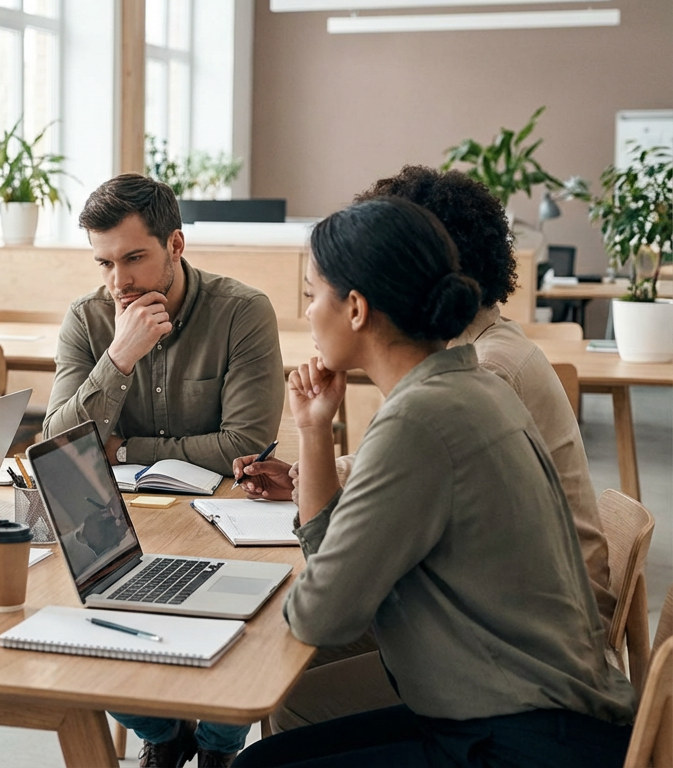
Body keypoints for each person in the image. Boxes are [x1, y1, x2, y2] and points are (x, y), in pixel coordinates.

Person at [231, 197, 634, 767]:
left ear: (355, 308)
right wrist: (315, 430)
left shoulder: (419, 420)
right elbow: (333, 579)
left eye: (310, 294)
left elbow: (322, 614)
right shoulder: (469, 383)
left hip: (524, 737)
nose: (305, 313)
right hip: (533, 708)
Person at [43, 173, 283, 766]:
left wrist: (125, 450)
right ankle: (163, 731)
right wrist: (120, 355)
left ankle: (218, 747)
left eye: (133, 259)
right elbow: (59, 443)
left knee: (251, 626)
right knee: (64, 624)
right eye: (104, 263)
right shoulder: (88, 319)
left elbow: (246, 442)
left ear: (175, 244)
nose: (118, 282)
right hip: (118, 523)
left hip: (225, 520)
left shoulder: (242, 311)